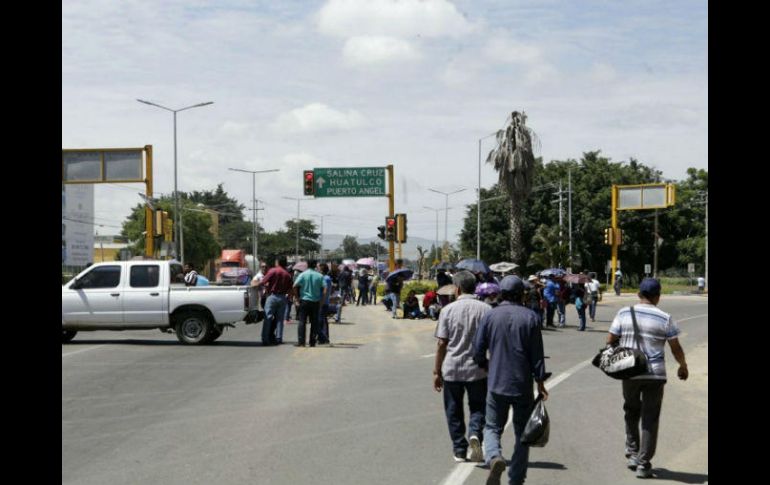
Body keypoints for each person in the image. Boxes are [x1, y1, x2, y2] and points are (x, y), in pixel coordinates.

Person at [606, 278, 688, 478]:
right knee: (650, 418)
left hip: (630, 371)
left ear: (638, 294)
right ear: (658, 297)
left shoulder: (624, 313)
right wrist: (683, 366)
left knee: (631, 410)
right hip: (655, 374)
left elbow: (610, 339)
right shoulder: (665, 317)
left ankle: (633, 453)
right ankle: (643, 464)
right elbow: (675, 346)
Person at [473, 275, 549, 485]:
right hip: (522, 386)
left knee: (491, 427)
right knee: (522, 435)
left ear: (500, 294)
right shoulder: (531, 317)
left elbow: (477, 351)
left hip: (496, 383)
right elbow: (537, 356)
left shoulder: (490, 316)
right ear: (522, 294)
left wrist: (486, 365)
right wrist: (540, 383)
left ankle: (494, 457)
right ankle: (516, 479)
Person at [433, 271, 492, 463]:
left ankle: (459, 449)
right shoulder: (486, 310)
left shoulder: (447, 310)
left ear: (457, 288)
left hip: (452, 369)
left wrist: (437, 371)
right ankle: (475, 433)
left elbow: (442, 343)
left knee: (453, 409)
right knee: (478, 407)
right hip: (478, 369)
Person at [253, 256, 293, 345]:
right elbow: (290, 288)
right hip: (283, 297)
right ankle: (279, 338)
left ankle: (265, 339)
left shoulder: (273, 270)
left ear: (278, 262)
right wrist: (289, 298)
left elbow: (263, 282)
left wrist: (254, 285)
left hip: (272, 296)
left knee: (268, 318)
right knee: (280, 319)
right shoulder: (287, 274)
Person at [292, 260, 325, 347]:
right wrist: (322, 300)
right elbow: (325, 289)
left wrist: (297, 298)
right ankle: (312, 342)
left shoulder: (302, 274)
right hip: (315, 302)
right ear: (315, 266)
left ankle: (301, 342)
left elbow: (294, 286)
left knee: (302, 321)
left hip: (304, 301)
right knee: (314, 322)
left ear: (307, 265)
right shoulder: (320, 276)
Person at [317, 263, 334, 344]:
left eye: (319, 269)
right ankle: (324, 337)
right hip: (324, 301)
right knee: (323, 320)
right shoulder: (326, 278)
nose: (318, 270)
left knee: (321, 320)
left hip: (322, 302)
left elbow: (324, 291)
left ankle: (323, 337)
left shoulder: (325, 278)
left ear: (321, 270)